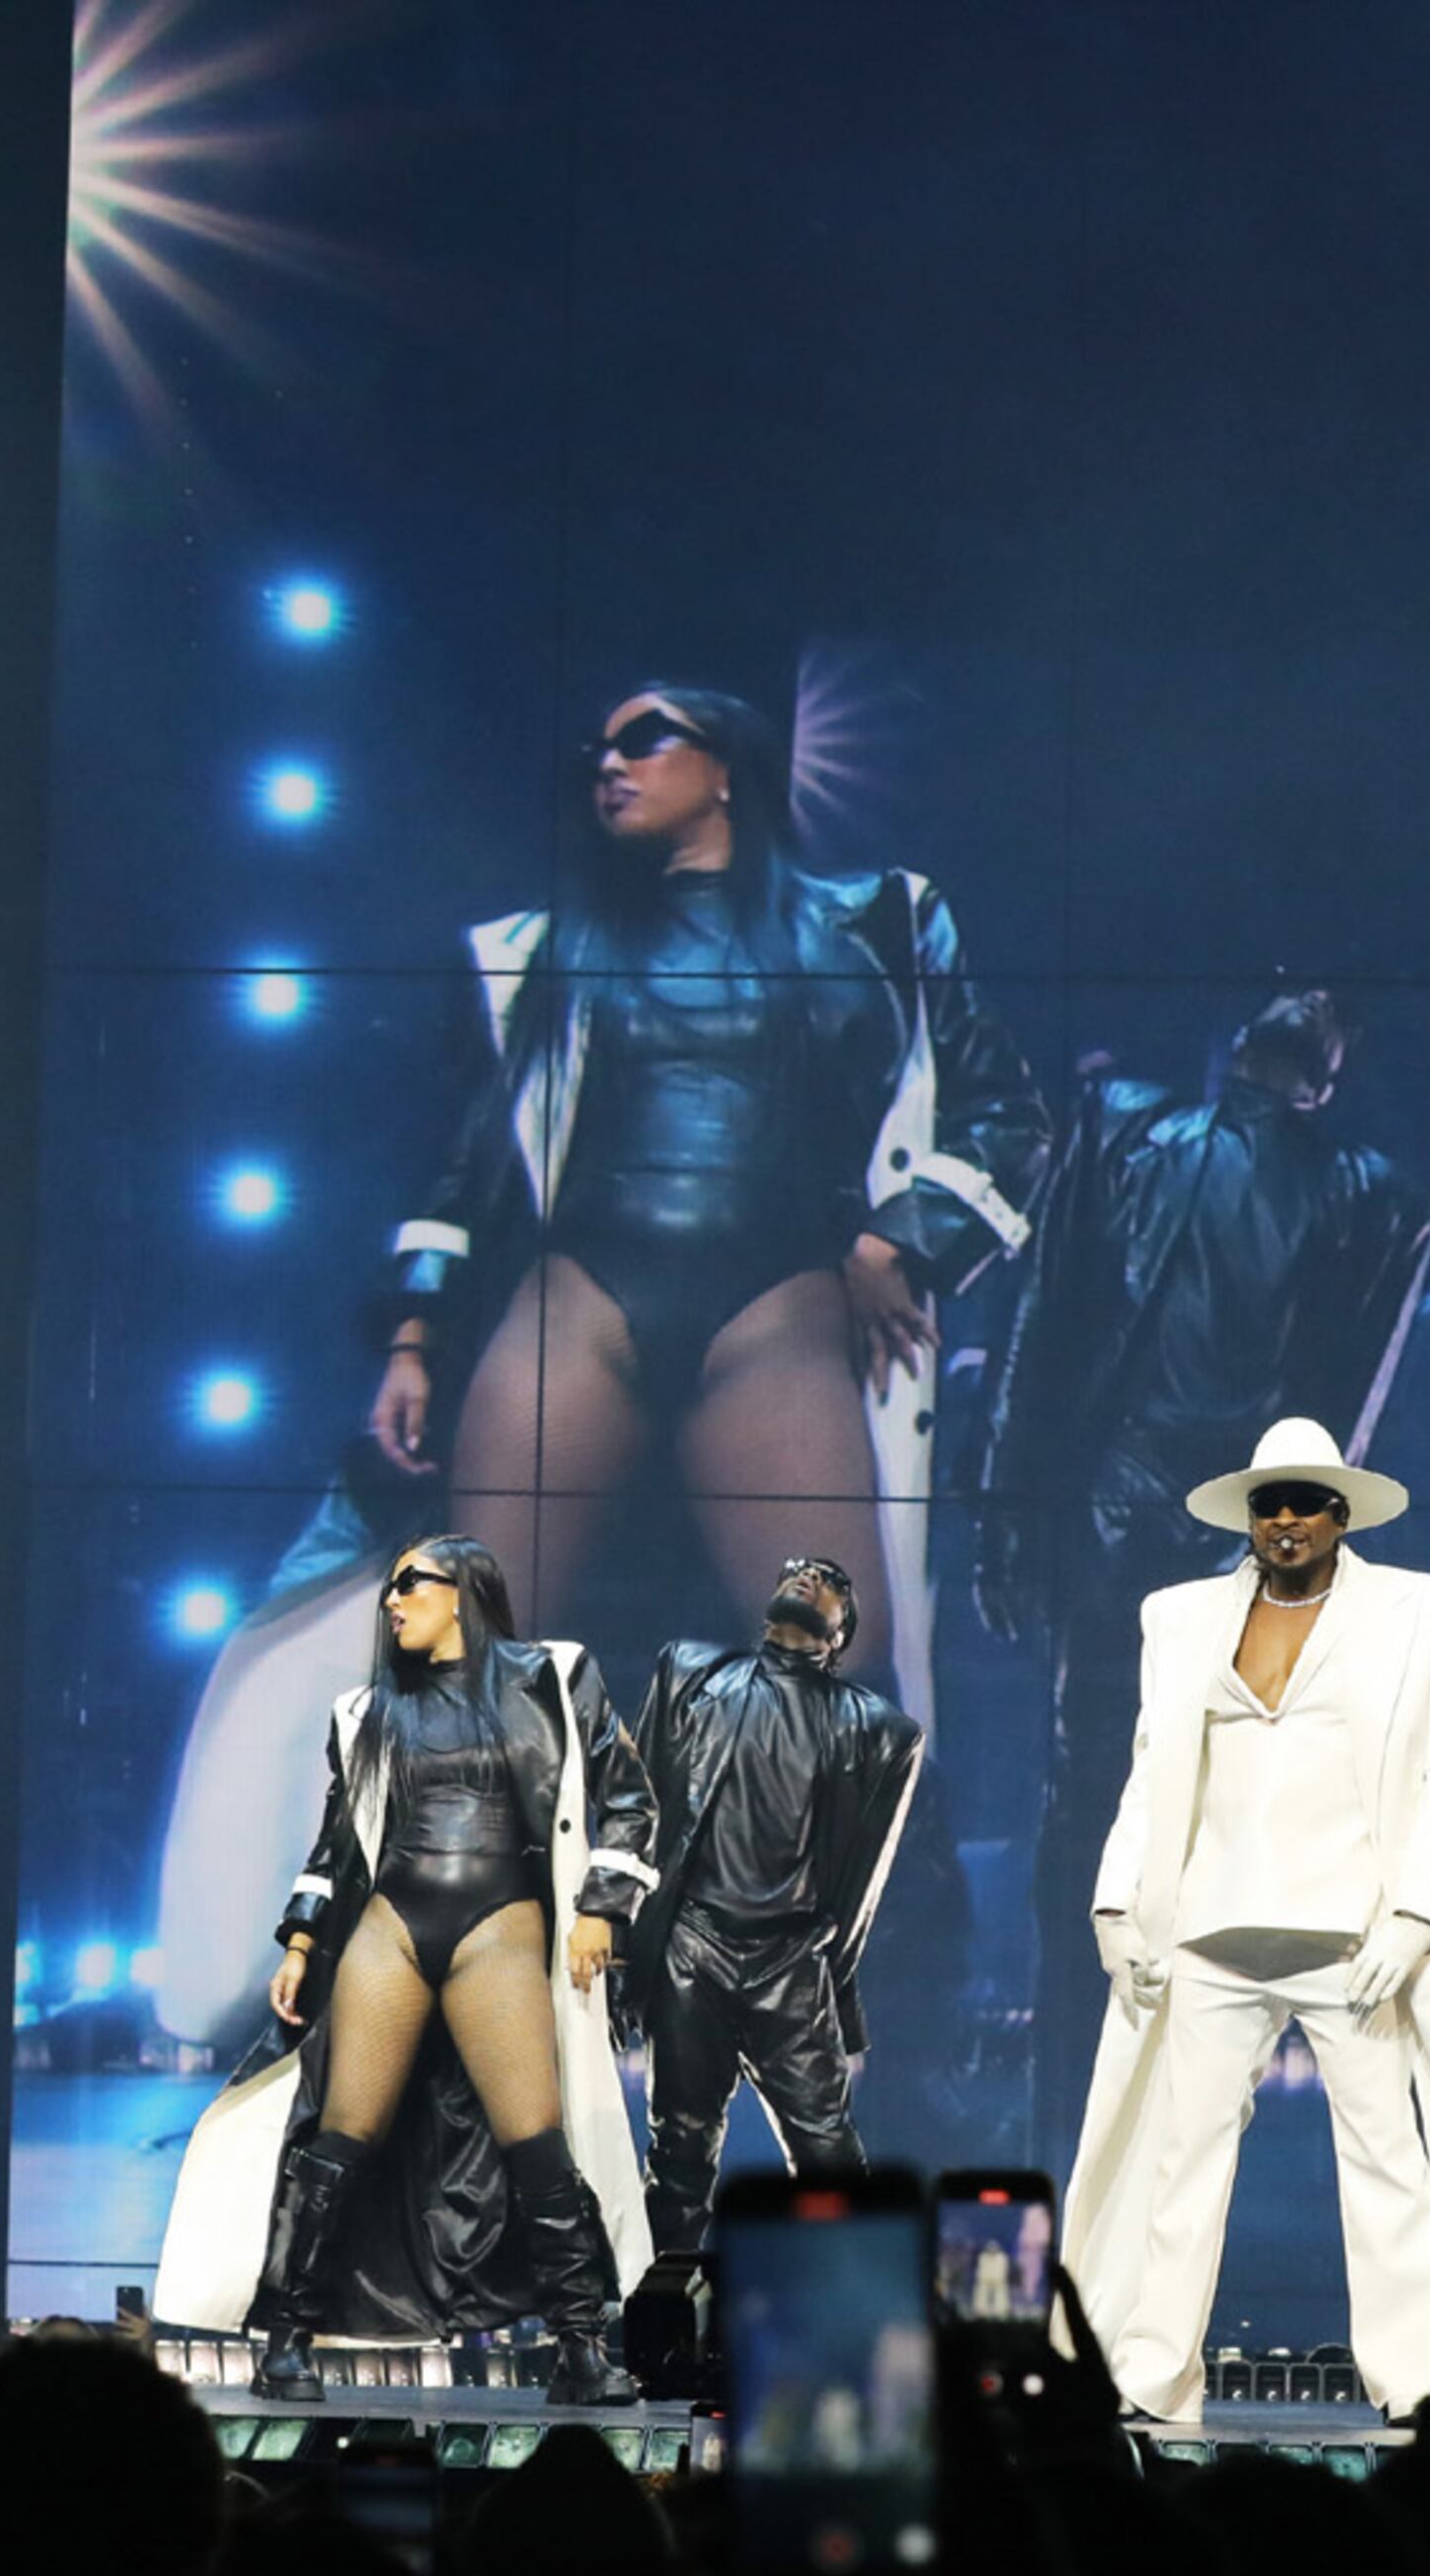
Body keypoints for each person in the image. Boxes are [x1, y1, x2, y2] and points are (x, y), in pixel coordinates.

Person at [144, 681, 1046, 2053]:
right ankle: (416, 2038)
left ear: (726, 766)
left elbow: (1007, 1111)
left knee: (835, 1700)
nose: (608, 765)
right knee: (472, 1692)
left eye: (643, 740)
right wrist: (412, 1336)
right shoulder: (544, 948)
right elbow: (462, 1161)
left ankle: (887, 2044)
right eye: (598, 747)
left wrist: (901, 1244)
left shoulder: (880, 918)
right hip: (586, 1299)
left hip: (774, 1311)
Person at [976, 986, 1430, 2168]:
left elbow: (1355, 1400)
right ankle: (1091, 2106)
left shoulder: (1370, 1196)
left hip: (1226, 1529)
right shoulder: (1132, 1130)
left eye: (1328, 1005)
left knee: (1196, 1823)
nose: (1304, 1010)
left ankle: (1160, 2112)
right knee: (1102, 1809)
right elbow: (1050, 1321)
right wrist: (1007, 1509)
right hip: (1141, 1509)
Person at [1060, 1416, 1430, 2422]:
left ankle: (1411, 2381)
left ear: (1343, 1514)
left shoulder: (1426, 1615)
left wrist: (1413, 1917)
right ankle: (1150, 2375)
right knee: (1181, 2163)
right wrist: (1116, 1905)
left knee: (1388, 2161)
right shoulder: (1179, 1618)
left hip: (1354, 1931)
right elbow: (1152, 1769)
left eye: (1306, 1501)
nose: (1287, 1520)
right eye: (1270, 1503)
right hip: (1210, 1927)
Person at [148, 1537, 658, 2405]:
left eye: (408, 1583)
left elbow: (627, 1798)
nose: (391, 1600)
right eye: (389, 1587)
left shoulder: (557, 1678)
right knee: (343, 2134)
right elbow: (336, 1845)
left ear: (461, 1589)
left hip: (499, 1923)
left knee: (535, 2135)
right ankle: (285, 2342)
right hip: (393, 1920)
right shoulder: (364, 1711)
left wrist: (603, 1906)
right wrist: (303, 1942)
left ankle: (580, 2345)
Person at [624, 1555, 925, 2249]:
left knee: (828, 2151)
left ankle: (854, 2319)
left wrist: (829, 1979)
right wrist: (629, 1948)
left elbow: (861, 1887)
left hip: (788, 1959)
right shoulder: (692, 1673)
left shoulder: (878, 1733)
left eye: (828, 1578)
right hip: (694, 1945)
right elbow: (639, 1812)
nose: (802, 1573)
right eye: (793, 1568)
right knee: (680, 2148)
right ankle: (665, 2317)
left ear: (841, 1630)